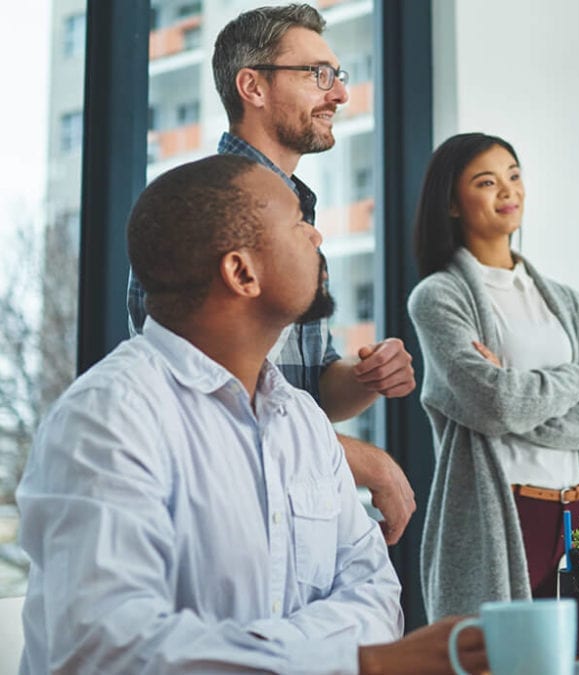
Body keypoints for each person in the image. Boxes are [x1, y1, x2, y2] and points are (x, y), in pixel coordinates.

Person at [18, 155, 486, 675]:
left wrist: (297, 655)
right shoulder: (108, 418)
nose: (316, 238)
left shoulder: (302, 420)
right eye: (297, 223)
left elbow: (375, 593)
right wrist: (359, 662)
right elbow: (109, 651)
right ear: (241, 272)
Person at [126, 3, 417, 545]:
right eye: (318, 75)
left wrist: (364, 378)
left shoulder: (300, 218)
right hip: (227, 518)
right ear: (252, 86)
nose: (339, 94)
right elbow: (206, 405)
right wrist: (362, 460)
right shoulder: (197, 210)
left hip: (295, 507)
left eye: (339, 76)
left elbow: (312, 387)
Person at [407, 133, 579, 619]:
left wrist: (519, 395)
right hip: (504, 512)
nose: (508, 191)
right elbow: (497, 405)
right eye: (487, 182)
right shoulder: (439, 297)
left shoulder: (566, 301)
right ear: (451, 203)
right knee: (503, 663)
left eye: (513, 175)